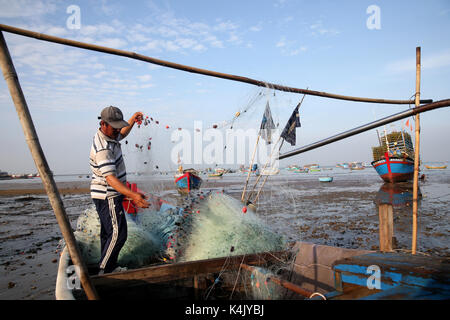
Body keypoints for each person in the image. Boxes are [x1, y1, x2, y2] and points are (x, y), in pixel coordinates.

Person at [89, 106, 149, 274]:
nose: (118, 131)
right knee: (118, 234)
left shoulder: (110, 136)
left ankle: (107, 264)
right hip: (108, 194)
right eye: (114, 127)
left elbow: (123, 133)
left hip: (105, 193)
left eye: (118, 126)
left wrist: (132, 119)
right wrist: (133, 195)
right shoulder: (103, 149)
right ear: (103, 124)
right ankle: (105, 270)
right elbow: (111, 179)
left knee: (109, 233)